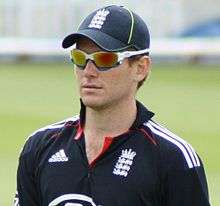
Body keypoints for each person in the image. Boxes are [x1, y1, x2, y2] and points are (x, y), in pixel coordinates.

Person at [14, 5, 211, 206]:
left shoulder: (173, 158)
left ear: (140, 68)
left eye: (105, 59)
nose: (88, 72)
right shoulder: (39, 147)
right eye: (80, 58)